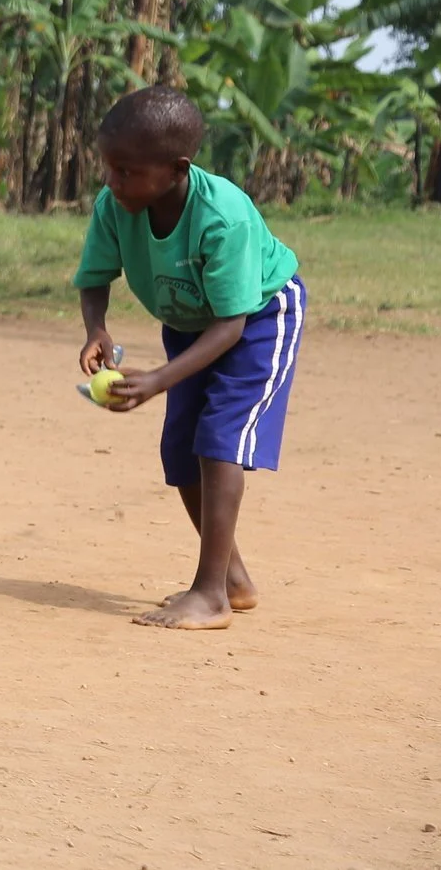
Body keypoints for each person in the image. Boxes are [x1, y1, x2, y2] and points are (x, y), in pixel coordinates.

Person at [76, 85, 305, 629]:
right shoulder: (116, 205)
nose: (113, 182)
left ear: (176, 168)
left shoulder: (223, 217)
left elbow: (231, 326)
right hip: (190, 325)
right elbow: (94, 276)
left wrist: (158, 379)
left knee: (219, 437)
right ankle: (233, 579)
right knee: (180, 449)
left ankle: (210, 595)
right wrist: (96, 328)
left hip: (256, 321)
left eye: (127, 171)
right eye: (108, 168)